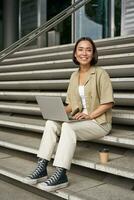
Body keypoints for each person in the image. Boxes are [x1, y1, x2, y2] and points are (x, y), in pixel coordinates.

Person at [23, 37, 114, 192]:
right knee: (51, 123)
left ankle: (61, 174)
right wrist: (56, 111)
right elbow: (71, 105)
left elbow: (108, 102)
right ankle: (42, 167)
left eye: (88, 49)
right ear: (75, 53)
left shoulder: (100, 73)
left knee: (68, 127)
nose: (84, 53)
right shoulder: (74, 76)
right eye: (80, 49)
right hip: (79, 120)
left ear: (93, 54)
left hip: (98, 122)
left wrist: (90, 115)